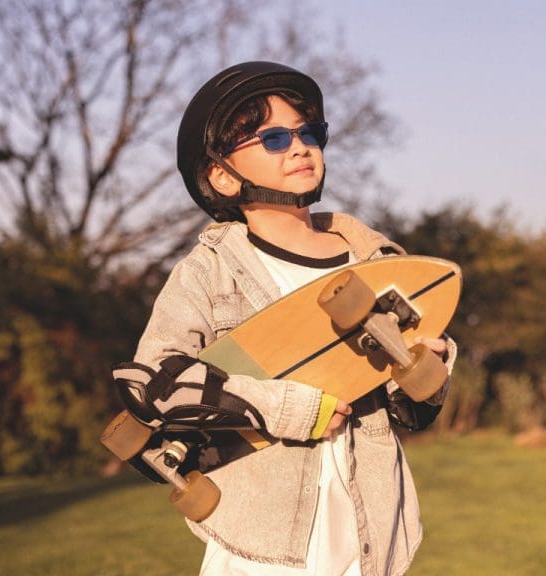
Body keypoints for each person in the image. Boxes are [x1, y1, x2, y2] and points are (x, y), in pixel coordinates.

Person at [113, 61, 457, 576]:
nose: (300, 146)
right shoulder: (210, 272)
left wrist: (428, 370)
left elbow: (413, 413)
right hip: (260, 543)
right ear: (222, 176)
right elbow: (154, 383)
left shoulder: (378, 262)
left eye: (309, 132)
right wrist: (285, 406)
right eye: (273, 138)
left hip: (373, 529)